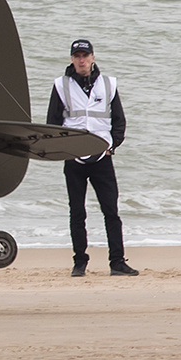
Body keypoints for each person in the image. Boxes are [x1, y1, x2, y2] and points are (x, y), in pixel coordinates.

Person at [46, 39, 135, 277]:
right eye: (77, 56)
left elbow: (119, 121)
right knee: (77, 212)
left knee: (111, 211)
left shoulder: (108, 84)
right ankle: (79, 262)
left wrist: (112, 146)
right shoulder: (61, 85)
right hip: (73, 159)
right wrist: (64, 150)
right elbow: (52, 124)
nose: (81, 60)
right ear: (72, 59)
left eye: (85, 55)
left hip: (102, 157)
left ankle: (117, 262)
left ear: (93, 57)